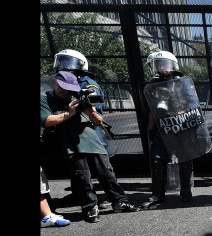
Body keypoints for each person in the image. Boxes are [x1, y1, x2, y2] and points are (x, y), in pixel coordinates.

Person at [40, 71, 140, 223]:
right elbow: (47, 120)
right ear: (55, 82)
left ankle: (120, 202)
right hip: (71, 145)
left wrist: (91, 112)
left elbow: (99, 122)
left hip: (93, 141)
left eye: (69, 88)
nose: (67, 92)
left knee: (107, 174)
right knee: (83, 178)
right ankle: (90, 208)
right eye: (63, 88)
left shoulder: (78, 97)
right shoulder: (45, 99)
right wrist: (70, 113)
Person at [53, 49, 115, 210]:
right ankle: (78, 194)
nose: (63, 67)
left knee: (101, 168)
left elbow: (95, 111)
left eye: (68, 63)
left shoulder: (88, 84)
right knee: (77, 167)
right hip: (71, 131)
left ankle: (108, 197)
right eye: (61, 62)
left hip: (90, 130)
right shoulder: (61, 82)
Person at [140, 51, 195, 209]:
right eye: (159, 65)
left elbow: (193, 103)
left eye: (165, 64)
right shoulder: (152, 85)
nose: (162, 68)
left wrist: (182, 112)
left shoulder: (183, 83)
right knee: (157, 160)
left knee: (185, 159)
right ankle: (157, 194)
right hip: (161, 129)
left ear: (173, 65)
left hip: (181, 126)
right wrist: (151, 129)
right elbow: (151, 109)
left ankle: (185, 191)